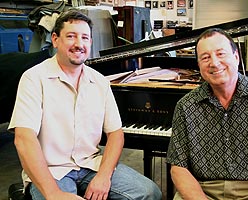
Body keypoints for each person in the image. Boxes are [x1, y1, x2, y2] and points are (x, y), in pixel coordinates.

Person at [9, 9, 162, 200]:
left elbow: (115, 134)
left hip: (91, 165)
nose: (79, 44)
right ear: (55, 40)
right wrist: (53, 193)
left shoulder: (100, 81)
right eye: (71, 36)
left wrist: (104, 176)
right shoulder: (34, 78)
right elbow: (24, 139)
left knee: (149, 193)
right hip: (52, 171)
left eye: (85, 37)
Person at [166, 28, 248, 200]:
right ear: (199, 65)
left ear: (236, 57)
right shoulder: (186, 106)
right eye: (205, 57)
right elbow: (178, 167)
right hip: (205, 189)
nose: (214, 63)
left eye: (221, 54)